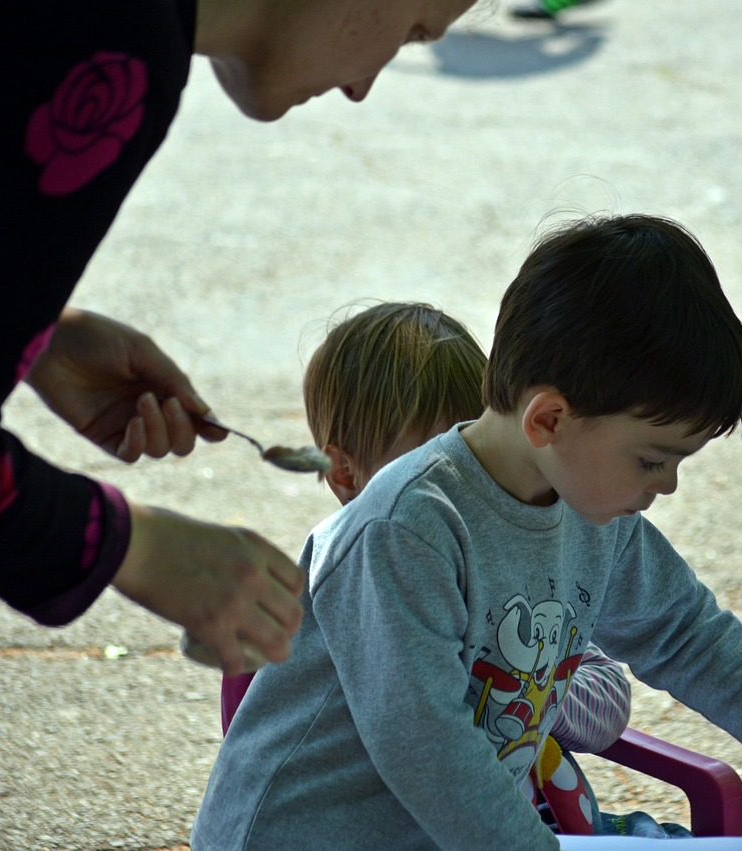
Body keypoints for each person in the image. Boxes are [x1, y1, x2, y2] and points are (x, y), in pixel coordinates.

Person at [191, 213, 742, 849]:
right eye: (652, 460)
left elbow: (678, 626)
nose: (667, 485)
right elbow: (427, 748)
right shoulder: (407, 528)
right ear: (548, 420)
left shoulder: (593, 510)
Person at [0, 0, 478, 676]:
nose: (363, 87)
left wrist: (36, 338)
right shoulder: (112, 49)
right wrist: (143, 550)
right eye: (412, 31)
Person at [212, 300, 643, 834]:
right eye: (427, 466)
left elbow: (609, 694)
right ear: (346, 474)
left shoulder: (504, 563)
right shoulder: (367, 577)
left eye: (473, 458)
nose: (460, 483)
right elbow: (421, 749)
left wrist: (530, 690)